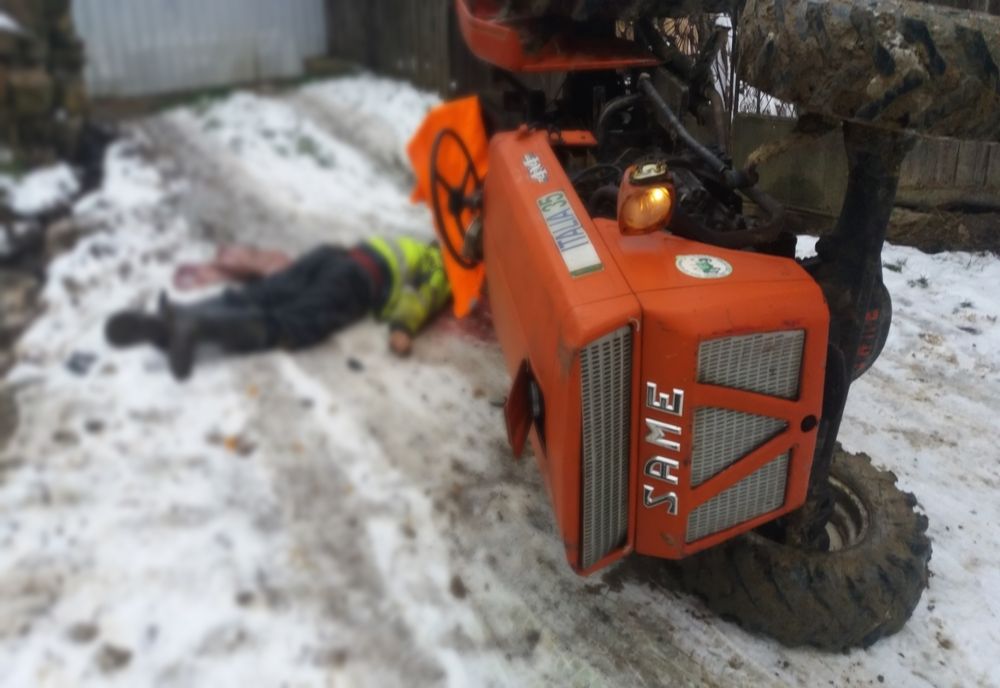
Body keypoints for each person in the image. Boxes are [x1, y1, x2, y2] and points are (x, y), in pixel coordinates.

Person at [105, 236, 451, 381]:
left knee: (260, 294)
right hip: (357, 281)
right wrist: (403, 329)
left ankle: (176, 315)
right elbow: (420, 296)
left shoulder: (414, 243)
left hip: (332, 255)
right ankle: (196, 329)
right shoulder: (443, 262)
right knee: (290, 323)